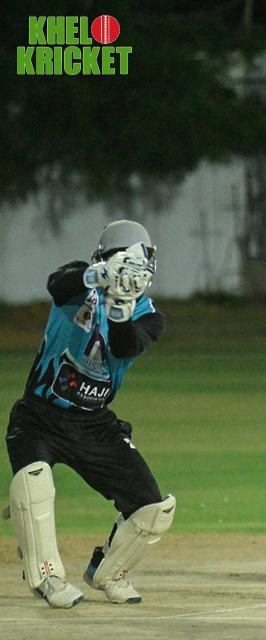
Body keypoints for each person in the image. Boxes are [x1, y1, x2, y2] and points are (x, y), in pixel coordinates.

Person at [4, 220, 176, 608]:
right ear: (104, 258)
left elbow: (126, 346)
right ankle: (46, 577)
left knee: (153, 509)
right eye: (124, 263)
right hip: (39, 415)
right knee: (33, 483)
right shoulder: (79, 282)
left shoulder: (150, 316)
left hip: (94, 423)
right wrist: (100, 276)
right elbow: (57, 283)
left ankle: (107, 571)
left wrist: (119, 311)